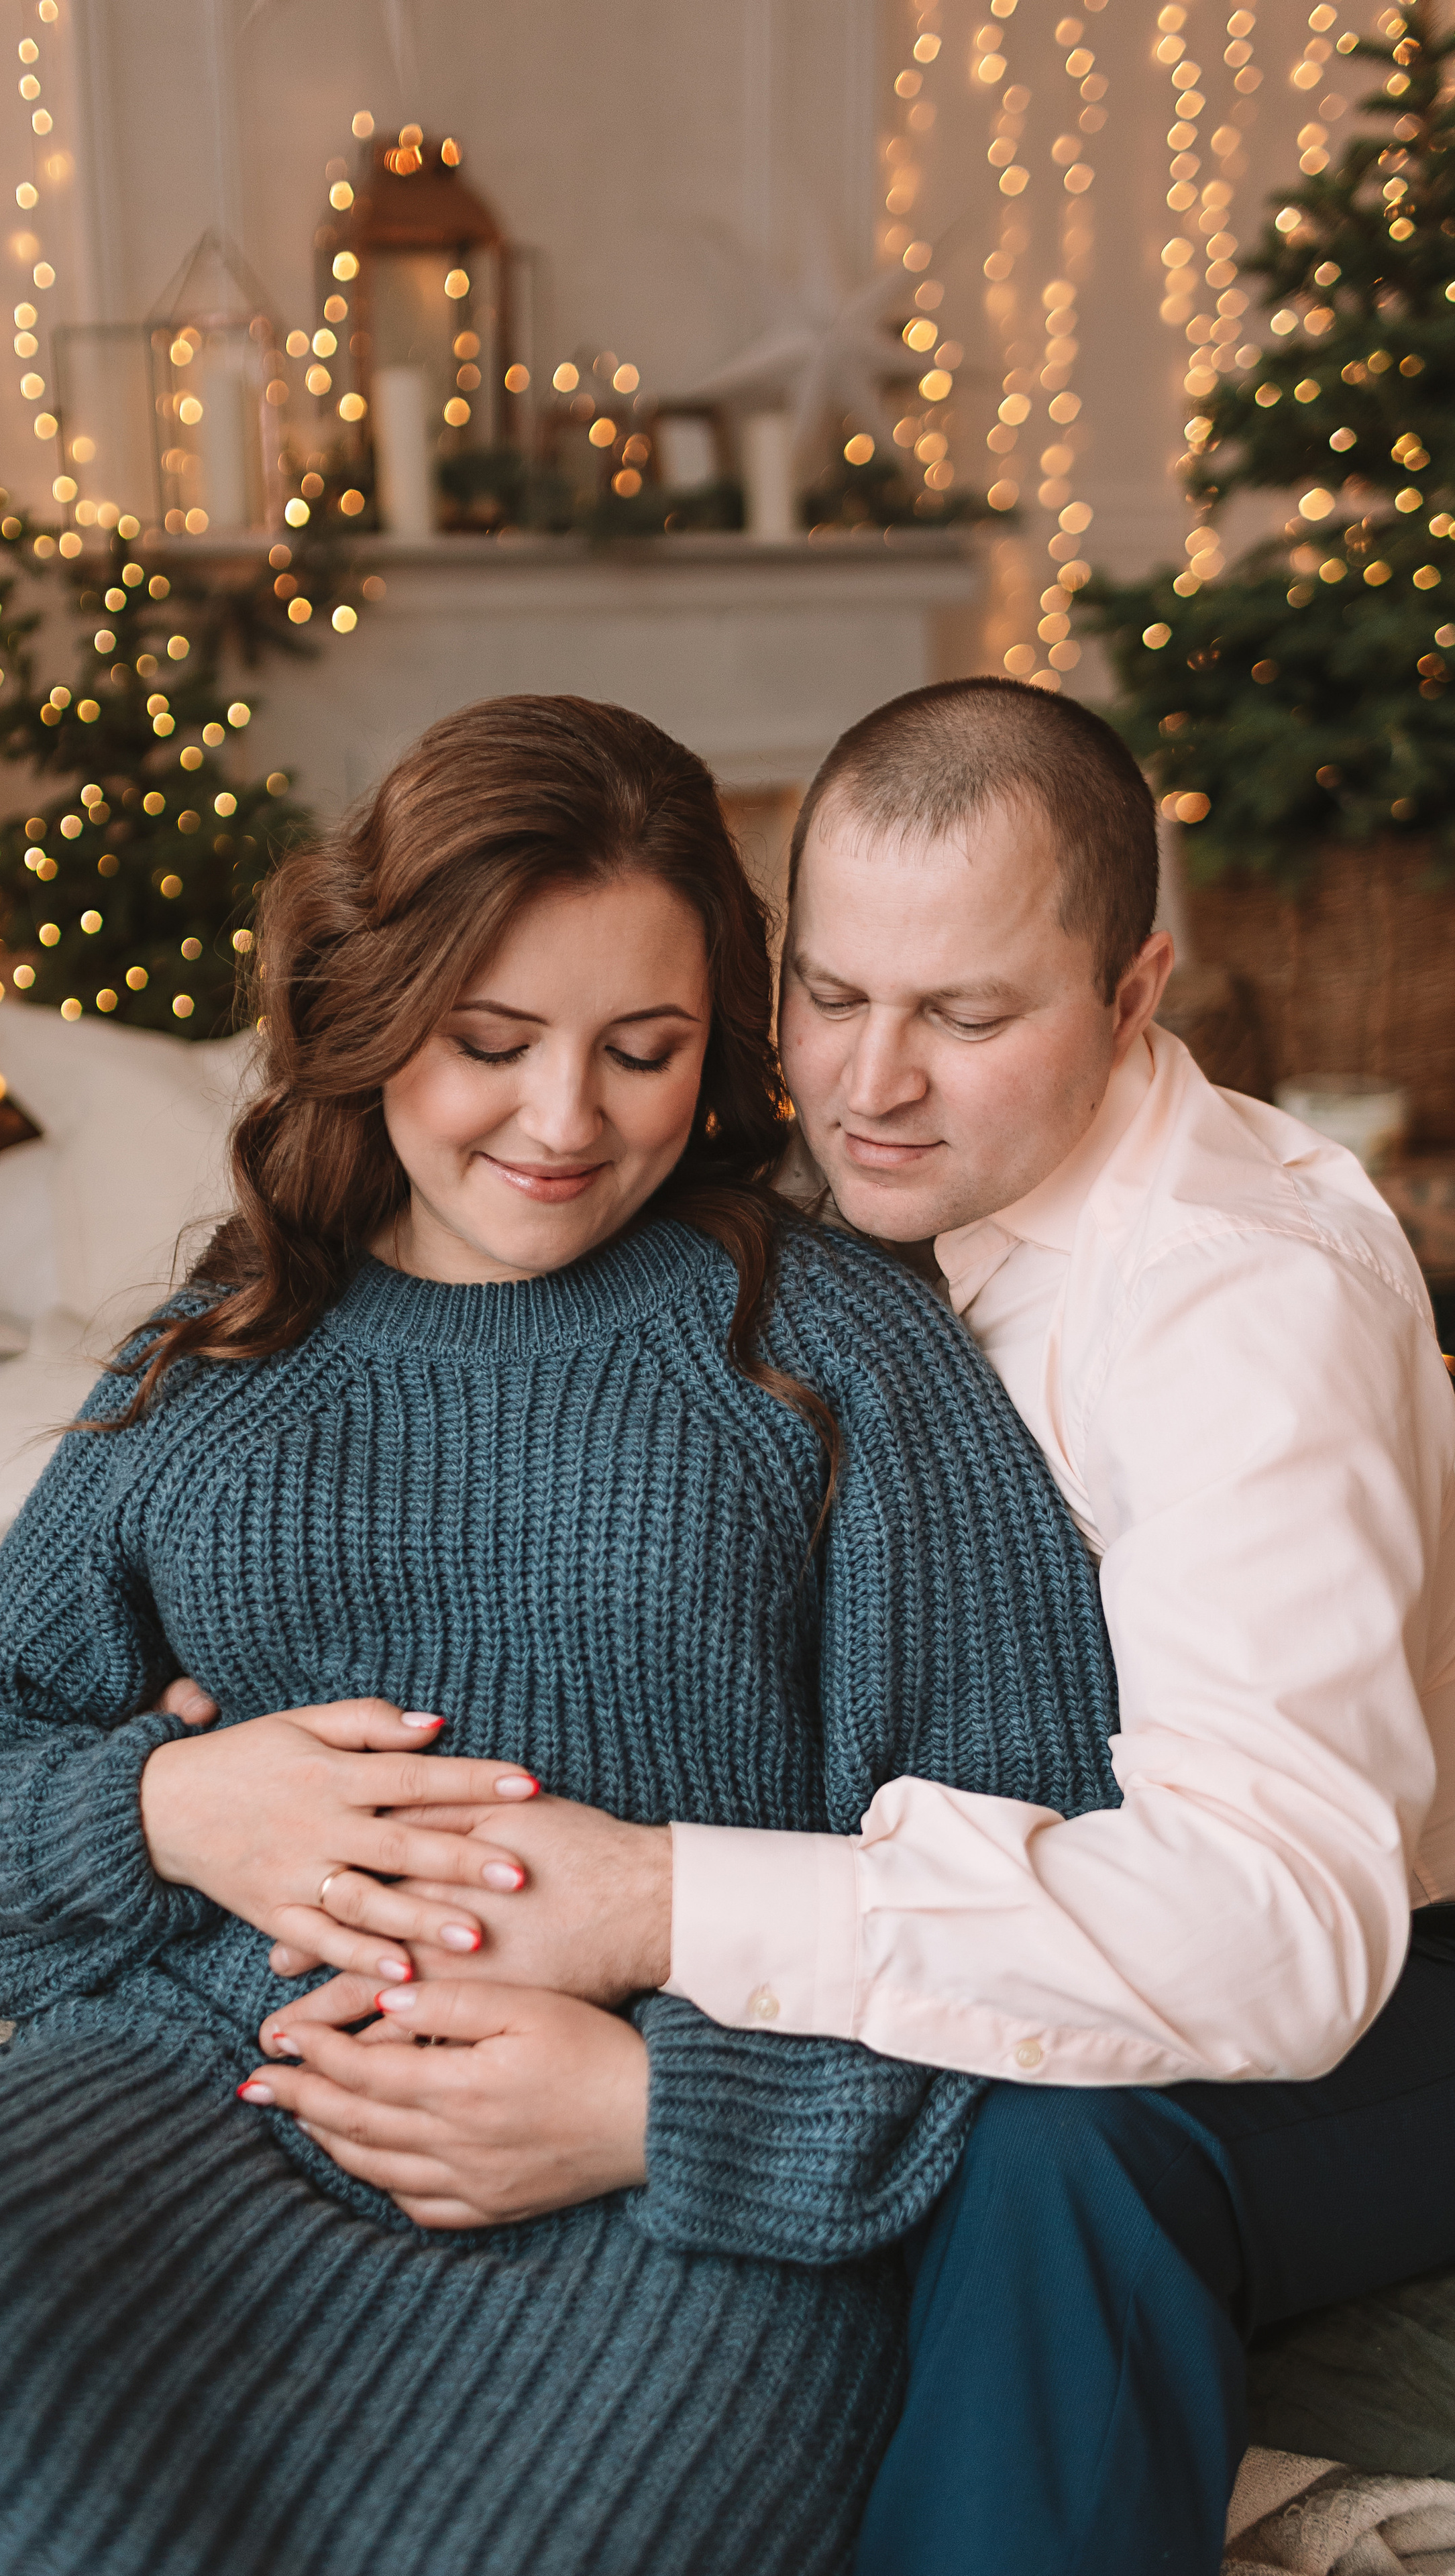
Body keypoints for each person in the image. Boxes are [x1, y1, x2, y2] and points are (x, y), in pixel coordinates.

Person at [0, 695, 1125, 2576]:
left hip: (665, 2192)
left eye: (644, 1052)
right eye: (490, 1044)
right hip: (196, 2111)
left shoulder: (825, 1351)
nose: (565, 1123)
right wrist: (169, 1809)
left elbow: (1049, 1896)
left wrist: (665, 2110)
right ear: (373, 1013)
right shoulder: (217, 1360)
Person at [258, 679, 1455, 2576]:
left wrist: (664, 1962)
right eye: (831, 995)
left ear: (1136, 997)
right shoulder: (781, 1151)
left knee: (1072, 2153)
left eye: (968, 1019)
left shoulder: (1244, 1312)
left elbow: (1284, 1932)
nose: (872, 1081)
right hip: (971, 1857)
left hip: (1387, 1981)